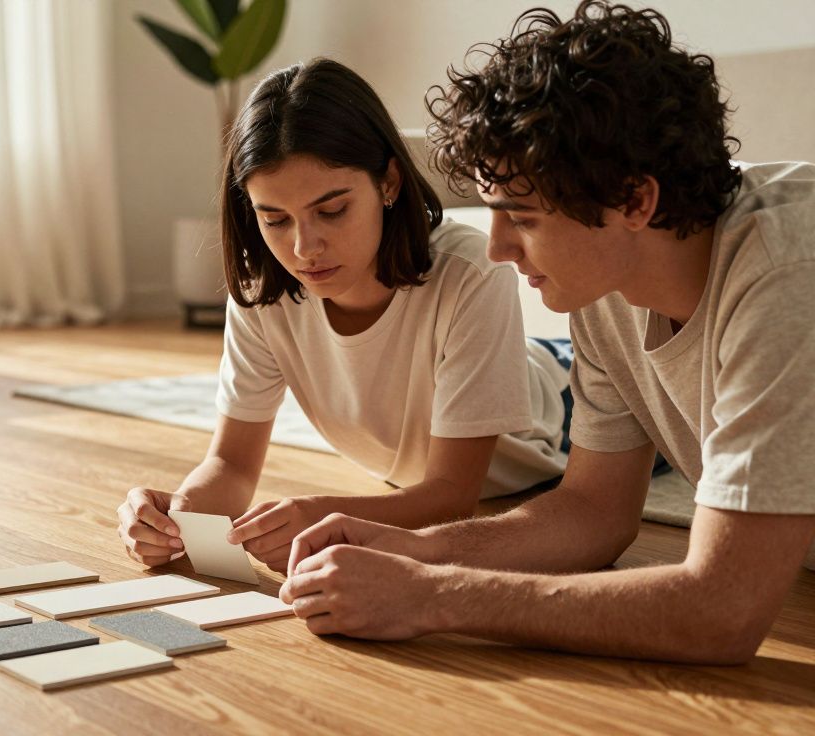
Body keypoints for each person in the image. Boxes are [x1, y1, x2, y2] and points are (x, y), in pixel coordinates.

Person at [279, 0, 815, 665]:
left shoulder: (790, 275)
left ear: (634, 200)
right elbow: (593, 510)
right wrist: (417, 547)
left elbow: (722, 611)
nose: (497, 248)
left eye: (522, 217)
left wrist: (433, 594)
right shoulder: (605, 284)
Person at [117, 58, 571, 574]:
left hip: (564, 407)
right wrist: (178, 515)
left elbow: (452, 496)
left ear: (390, 182)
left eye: (331, 211)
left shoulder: (469, 273)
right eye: (275, 219)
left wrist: (321, 512)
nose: (305, 247)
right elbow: (232, 464)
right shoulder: (261, 292)